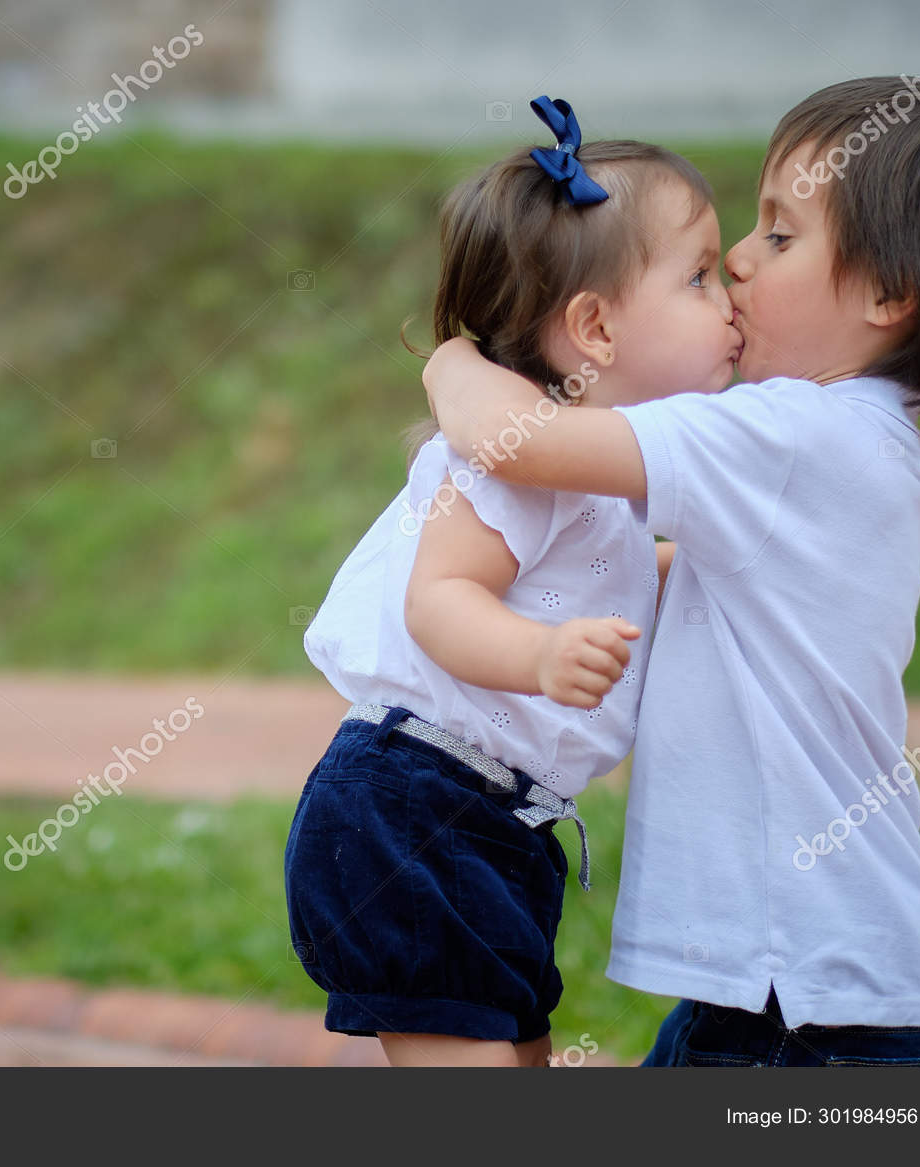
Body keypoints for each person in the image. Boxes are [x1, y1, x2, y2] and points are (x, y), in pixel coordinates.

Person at [423, 78, 920, 1066]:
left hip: (796, 985)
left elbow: (517, 443)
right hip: (803, 975)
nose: (737, 256)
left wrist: (452, 364)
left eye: (780, 235)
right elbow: (690, 588)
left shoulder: (791, 435)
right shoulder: (853, 446)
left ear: (888, 293)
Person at [284, 97, 741, 1066]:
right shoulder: (510, 461)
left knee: (518, 1058)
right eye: (699, 276)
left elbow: (620, 579)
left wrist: (722, 569)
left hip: (492, 817)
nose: (730, 297)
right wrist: (538, 654)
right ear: (595, 327)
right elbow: (439, 598)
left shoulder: (584, 471)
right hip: (412, 807)